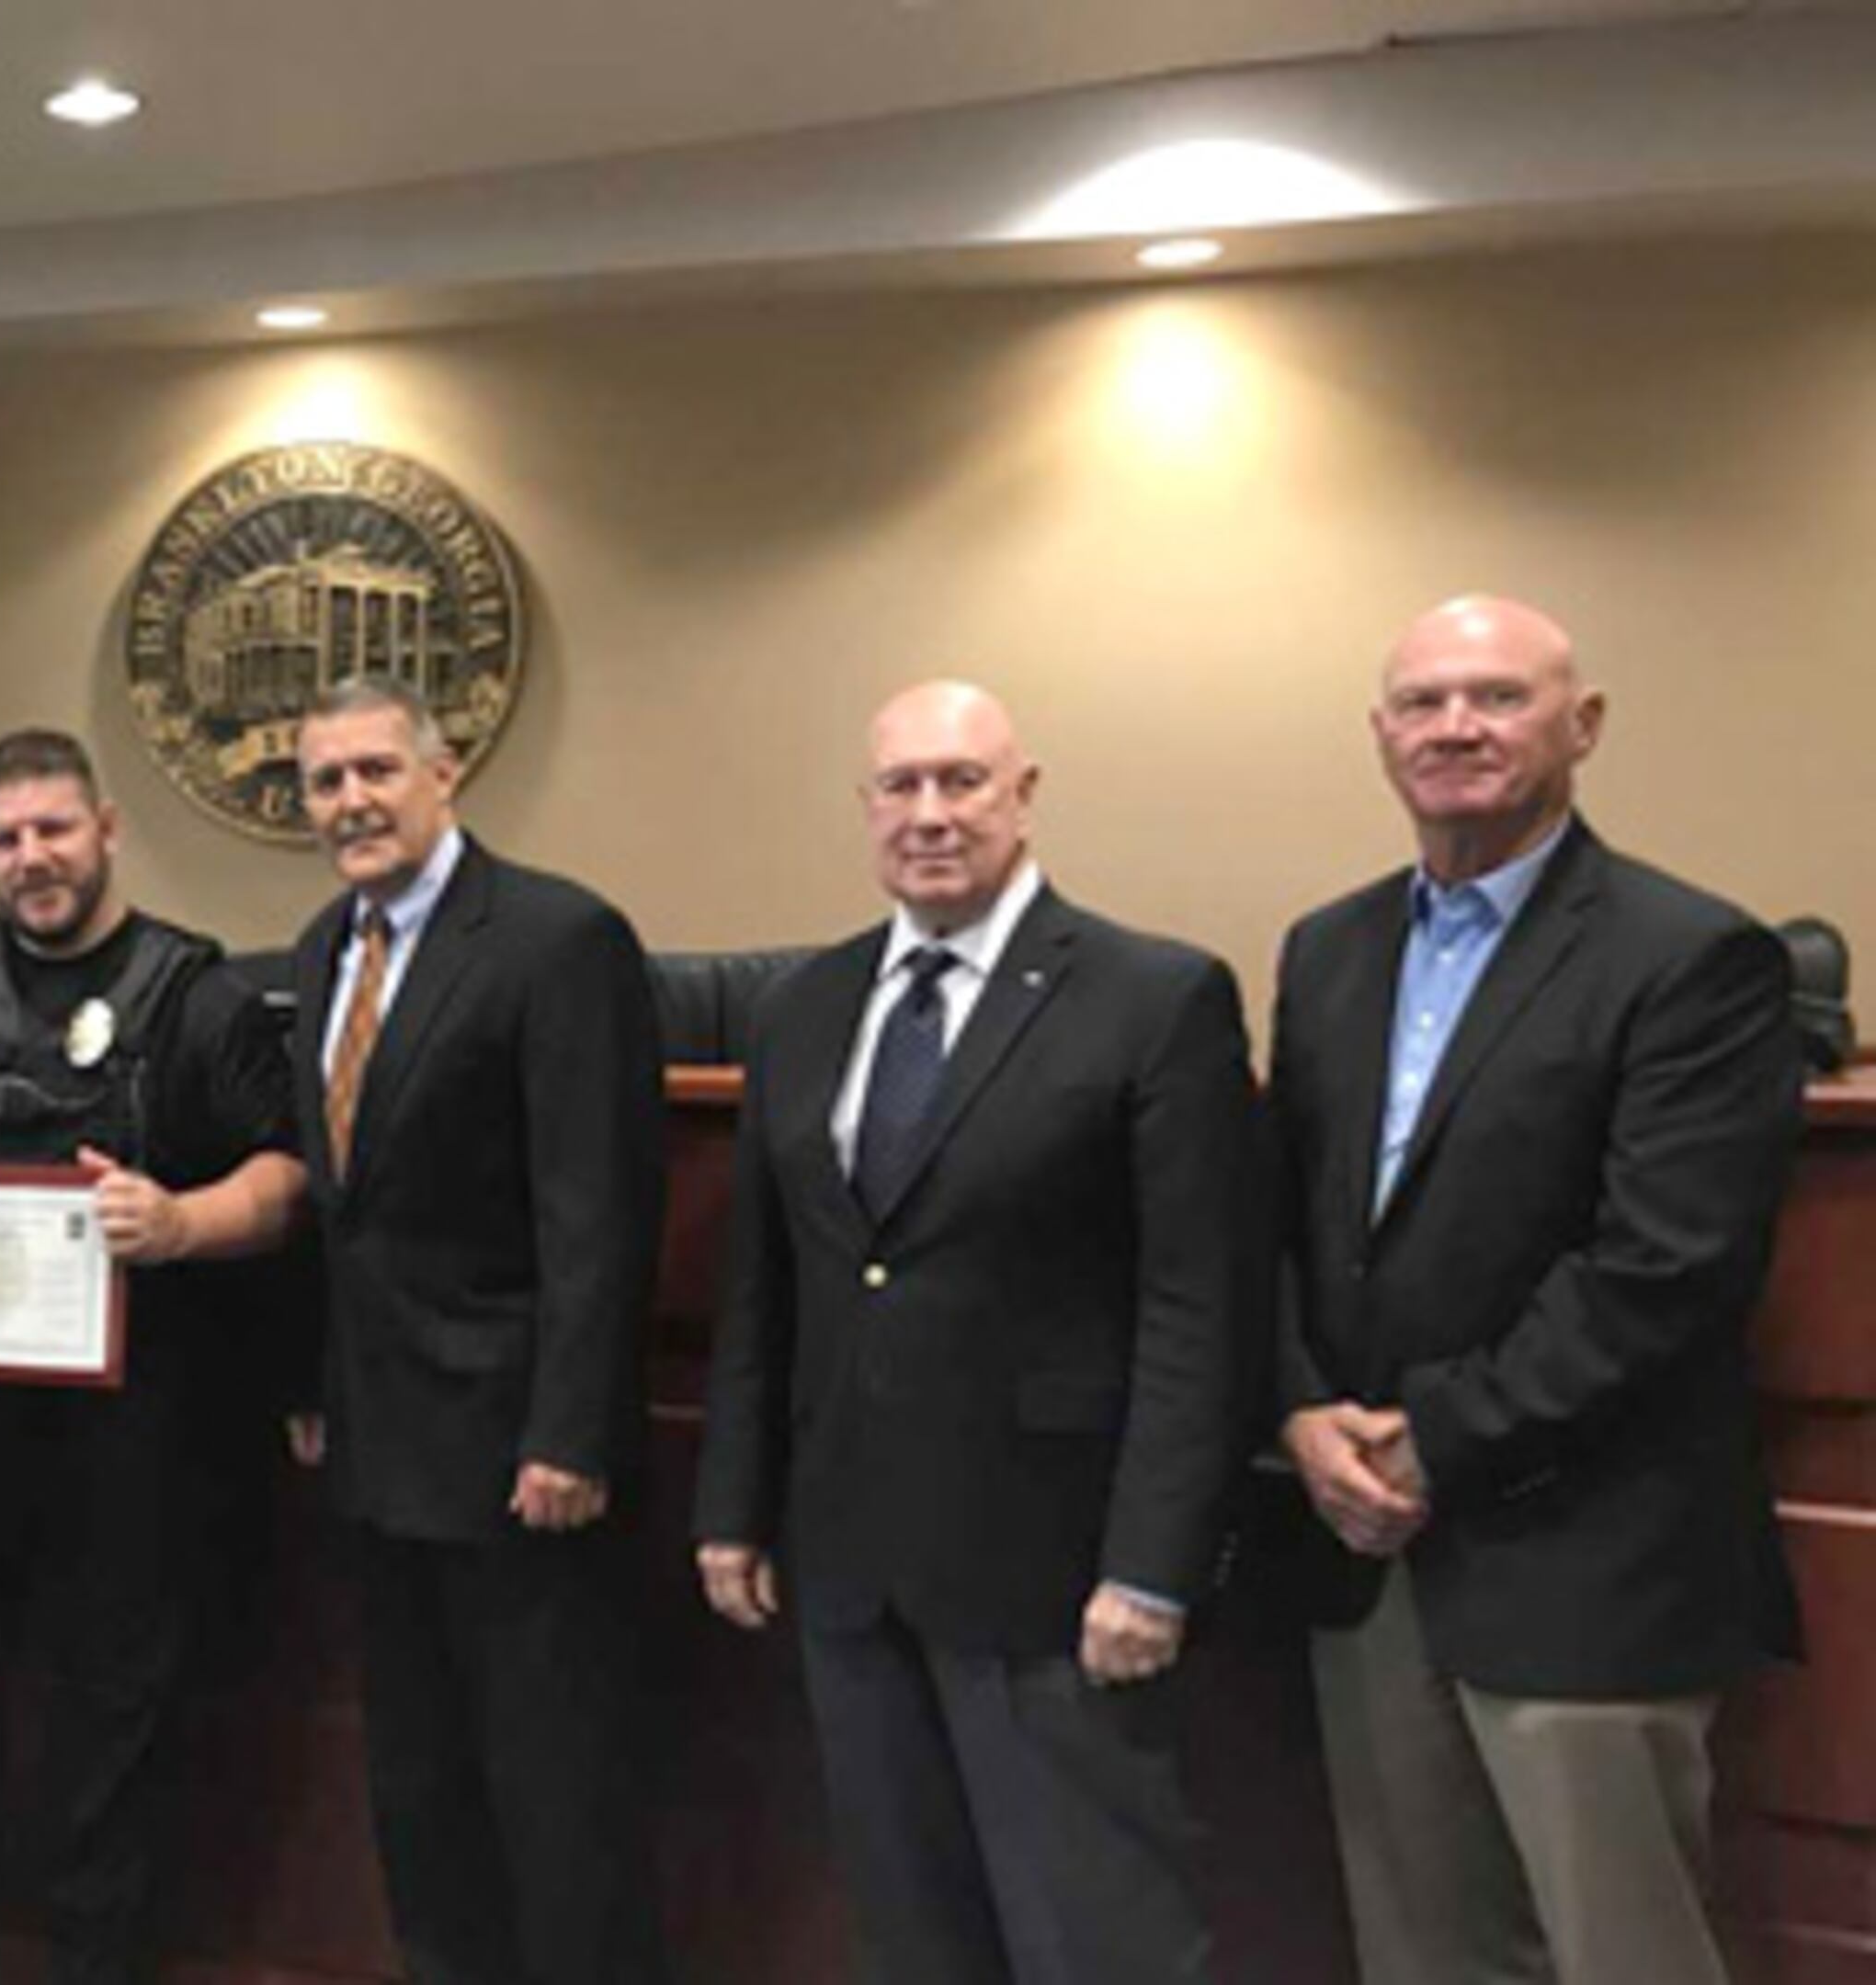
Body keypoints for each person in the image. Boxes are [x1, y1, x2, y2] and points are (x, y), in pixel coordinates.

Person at [1270, 596, 1804, 1985]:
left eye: (1499, 697)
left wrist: (1427, 1439)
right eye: (1425, 701)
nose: (1457, 726)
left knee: (1624, 1958)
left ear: (1586, 725)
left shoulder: (1692, 956)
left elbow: (1661, 1270)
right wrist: (1301, 1414)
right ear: (1381, 736)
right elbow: (1283, 1228)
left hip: (1587, 1560)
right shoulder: (1326, 952)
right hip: (1372, 1560)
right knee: (1423, 1957)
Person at [690, 681, 1258, 1985]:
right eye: (901, 787)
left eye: (963, 783)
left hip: (1056, 1573)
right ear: (866, 807)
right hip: (848, 1562)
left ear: (1024, 795)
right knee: (911, 1937)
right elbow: (767, 1284)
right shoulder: (807, 1006)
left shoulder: (1151, 996)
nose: (931, 814)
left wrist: (1155, 1565)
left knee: (1094, 1937)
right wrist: (734, 1505)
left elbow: (1196, 1305)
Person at [0, 728, 303, 1985]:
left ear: (107, 828)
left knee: (112, 1767)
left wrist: (184, 1220)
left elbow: (287, 1177)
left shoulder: (197, 996)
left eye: (53, 829)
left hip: (129, 1455)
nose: (31, 859)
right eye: (4, 839)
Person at [286, 677, 668, 1985]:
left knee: (556, 1800)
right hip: (381, 1456)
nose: (352, 800)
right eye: (326, 780)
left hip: (521, 1459)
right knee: (419, 1789)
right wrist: (312, 1386)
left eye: (376, 770)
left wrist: (570, 1431)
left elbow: (600, 1214)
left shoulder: (557, 939)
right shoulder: (322, 947)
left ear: (444, 776)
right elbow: (342, 1211)